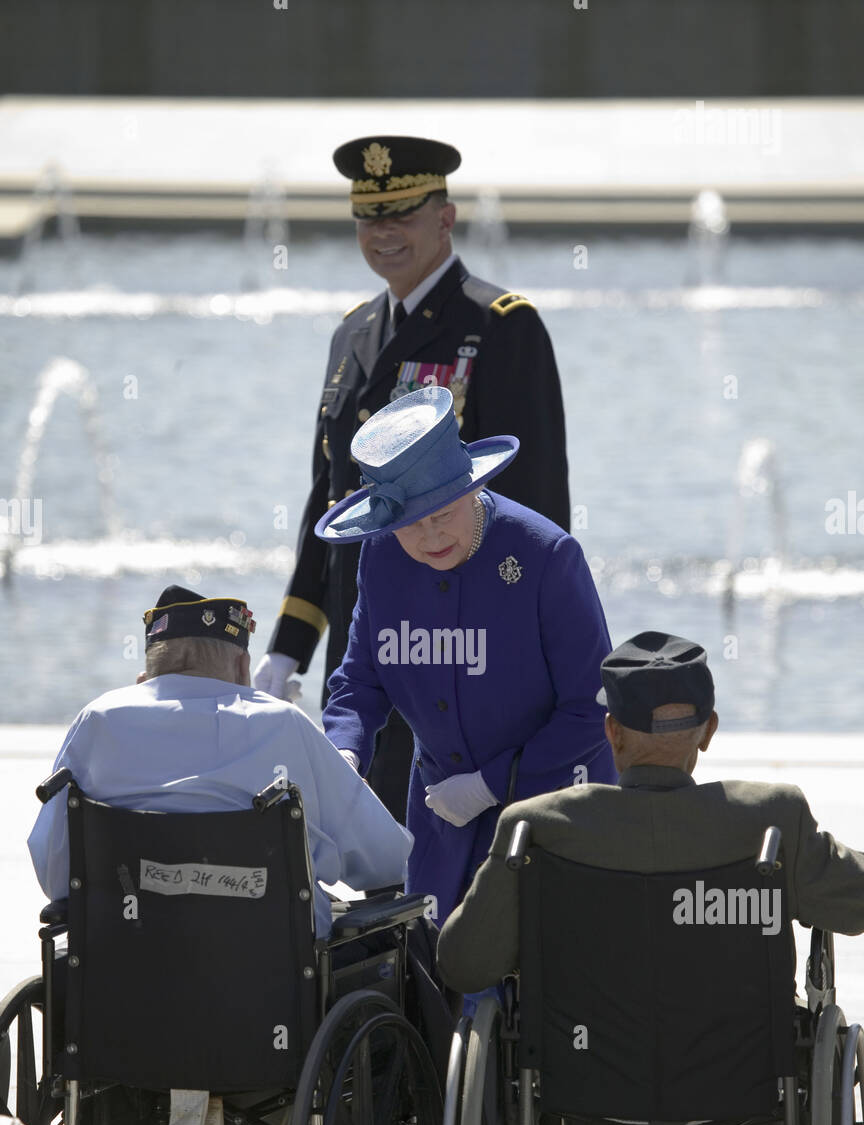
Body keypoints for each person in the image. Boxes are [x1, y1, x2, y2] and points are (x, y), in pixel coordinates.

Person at [437, 630, 864, 1125]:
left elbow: (464, 963)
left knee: (588, 1035)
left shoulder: (537, 827)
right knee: (767, 1029)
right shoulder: (772, 818)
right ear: (708, 731)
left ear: (612, 733)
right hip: (741, 1074)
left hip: (593, 1076)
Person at [254, 134, 571, 818]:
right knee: (372, 867)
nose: (384, 233)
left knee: (458, 874)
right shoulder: (352, 335)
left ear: (445, 217)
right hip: (367, 649)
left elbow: (535, 505)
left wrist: (518, 658)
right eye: (370, 217)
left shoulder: (499, 327)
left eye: (403, 213)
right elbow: (333, 500)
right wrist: (288, 648)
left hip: (463, 652)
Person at [317, 385, 615, 937]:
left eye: (444, 514)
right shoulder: (381, 558)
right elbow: (360, 681)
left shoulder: (546, 557)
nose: (430, 537)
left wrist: (490, 784)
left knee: (538, 987)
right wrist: (343, 750)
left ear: (471, 487)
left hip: (553, 812)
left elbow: (592, 711)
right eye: (410, 524)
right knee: (437, 982)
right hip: (440, 819)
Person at [28, 585, 412, 939]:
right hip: (274, 972)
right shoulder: (283, 724)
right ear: (243, 668)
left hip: (122, 962)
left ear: (144, 678)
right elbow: (386, 858)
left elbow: (54, 866)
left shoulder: (98, 720)